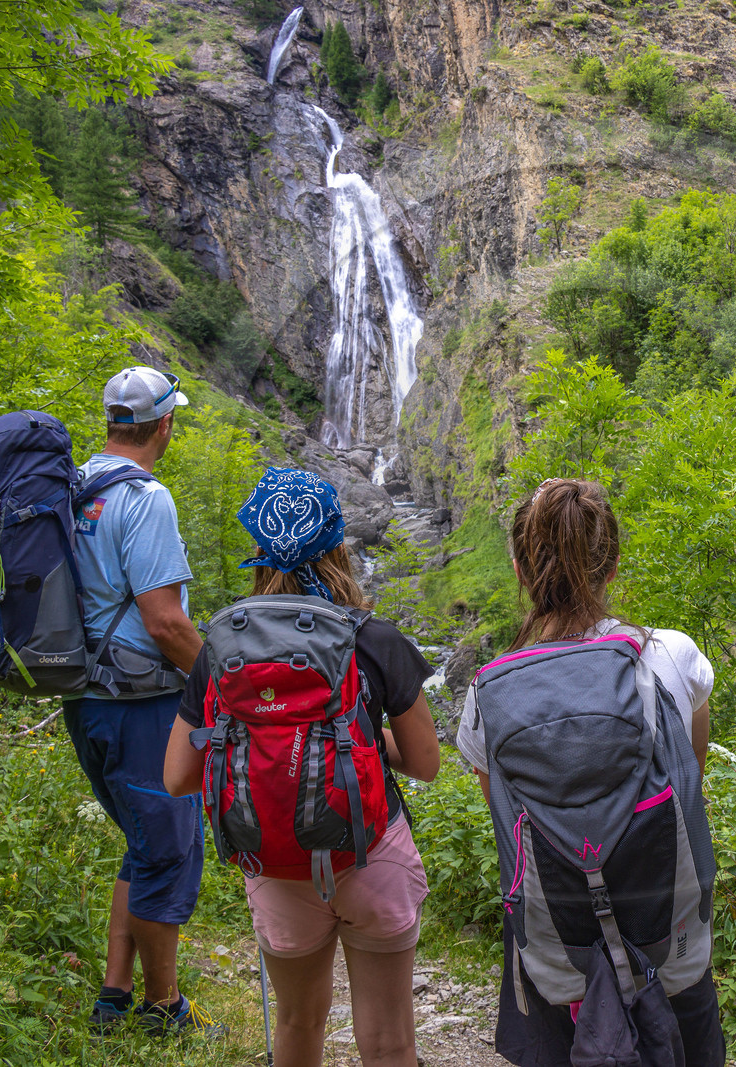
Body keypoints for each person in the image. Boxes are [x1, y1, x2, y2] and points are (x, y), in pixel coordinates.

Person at [163, 467, 442, 1067]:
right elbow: (424, 763)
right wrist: (363, 747)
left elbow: (178, 777)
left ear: (259, 550)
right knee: (391, 1042)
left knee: (295, 1026)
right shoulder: (376, 639)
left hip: (275, 861)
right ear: (338, 545)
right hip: (371, 852)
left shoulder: (221, 649)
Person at [455, 477, 726, 1067]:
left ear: (522, 573)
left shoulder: (488, 693)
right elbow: (689, 783)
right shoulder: (673, 656)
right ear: (614, 563)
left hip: (560, 950)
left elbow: (509, 823)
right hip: (670, 938)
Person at [61, 365, 216, 1035]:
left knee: (141, 841)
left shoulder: (73, 487)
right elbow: (165, 622)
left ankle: (113, 993)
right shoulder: (146, 497)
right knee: (168, 849)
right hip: (141, 702)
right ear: (165, 424)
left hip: (85, 698)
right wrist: (222, 684)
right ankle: (164, 1007)